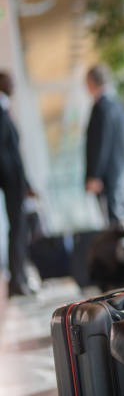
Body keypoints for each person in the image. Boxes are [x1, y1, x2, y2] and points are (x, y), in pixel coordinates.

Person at [0, 71, 35, 296]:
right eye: (8, 81)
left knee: (19, 228)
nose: (13, 84)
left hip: (15, 179)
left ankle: (19, 277)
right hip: (9, 178)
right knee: (18, 228)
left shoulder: (5, 109)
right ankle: (17, 280)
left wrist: (27, 182)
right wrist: (17, 180)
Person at [84, 64, 124, 226]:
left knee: (112, 220)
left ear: (91, 82)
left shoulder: (101, 108)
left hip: (106, 176)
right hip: (119, 171)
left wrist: (95, 175)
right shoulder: (118, 104)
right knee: (119, 214)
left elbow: (100, 143)